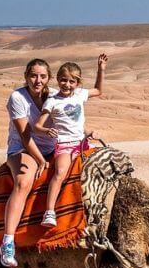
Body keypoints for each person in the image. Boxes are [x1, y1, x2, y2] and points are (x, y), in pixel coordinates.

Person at [33, 54, 107, 227]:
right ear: (58, 80)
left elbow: (98, 90)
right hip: (65, 146)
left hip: (83, 143)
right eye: (64, 80)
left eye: (72, 81)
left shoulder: (80, 94)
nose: (67, 84)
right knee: (59, 173)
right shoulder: (52, 101)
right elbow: (37, 126)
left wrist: (101, 70)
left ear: (77, 83)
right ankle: (49, 212)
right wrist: (46, 130)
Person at [0, 58, 58, 268]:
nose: (38, 80)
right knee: (24, 181)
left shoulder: (54, 97)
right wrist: (41, 159)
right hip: (24, 149)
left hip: (52, 147)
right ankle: (8, 241)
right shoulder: (18, 97)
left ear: (49, 78)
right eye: (33, 75)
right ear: (26, 76)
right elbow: (25, 135)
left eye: (43, 76)